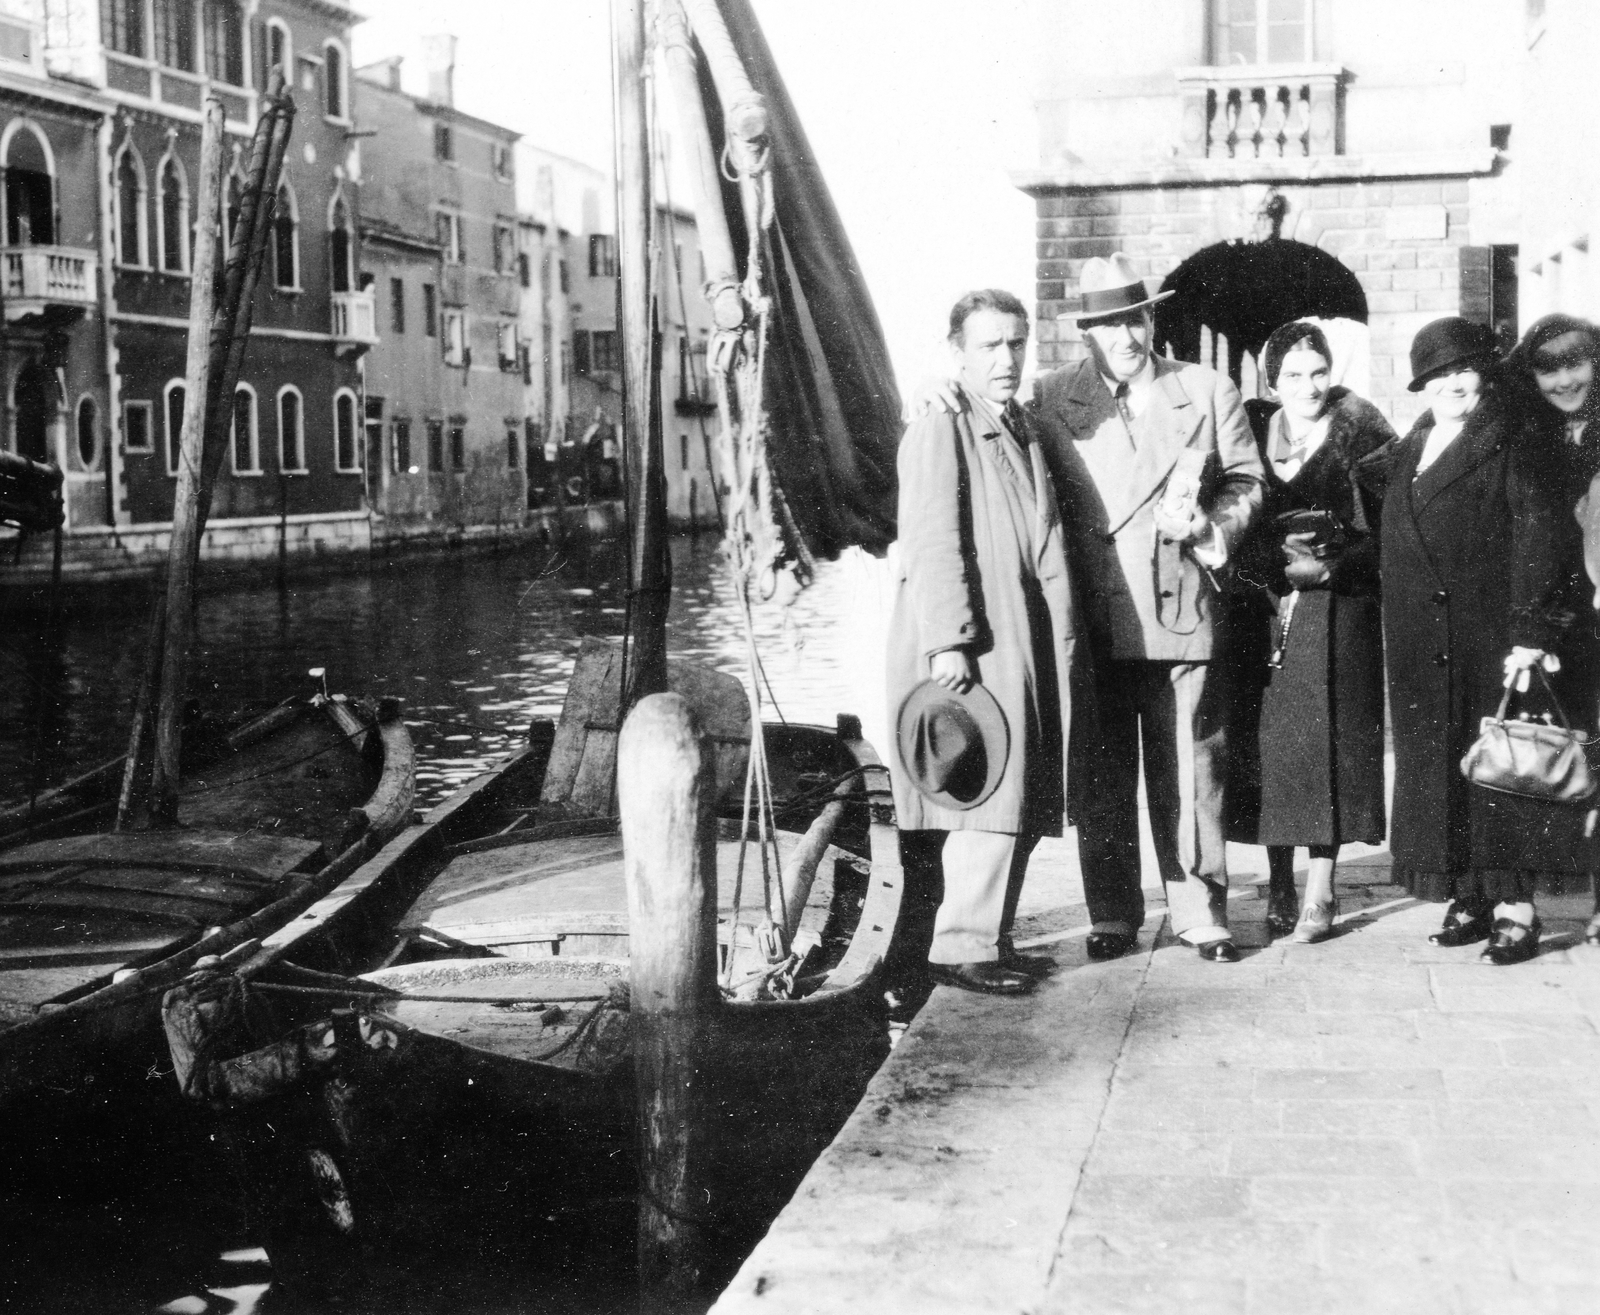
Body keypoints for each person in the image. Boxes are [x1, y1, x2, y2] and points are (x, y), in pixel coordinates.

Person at [1032, 254, 1264, 962]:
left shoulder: (1204, 387)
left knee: (1193, 769)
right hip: (1096, 614)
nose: (1125, 337)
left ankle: (1199, 907)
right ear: (1087, 333)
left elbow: (1248, 479)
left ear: (1151, 317)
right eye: (1107, 325)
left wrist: (1209, 528)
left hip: (1182, 605)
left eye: (1134, 318)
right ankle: (1112, 910)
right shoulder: (1048, 400)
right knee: (1101, 772)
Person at [885, 289, 1078, 995]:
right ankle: (961, 945)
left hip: (1014, 628)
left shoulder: (1017, 422)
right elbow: (932, 538)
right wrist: (949, 641)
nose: (1007, 358)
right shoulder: (943, 424)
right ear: (958, 352)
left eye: (1016, 343)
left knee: (1017, 785)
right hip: (975, 636)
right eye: (990, 345)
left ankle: (991, 937)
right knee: (985, 786)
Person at [1368, 317, 1575, 965]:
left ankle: (1516, 905)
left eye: (1462, 371)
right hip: (1421, 642)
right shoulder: (1413, 446)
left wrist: (1530, 631)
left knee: (1501, 768)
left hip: (1488, 632)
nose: (1452, 384)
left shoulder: (1513, 437)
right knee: (1447, 770)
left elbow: (1539, 531)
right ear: (1421, 386)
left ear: (1483, 375)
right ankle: (1471, 891)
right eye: (1437, 376)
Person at [1224, 322, 1394, 943]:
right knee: (1273, 745)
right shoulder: (1247, 431)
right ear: (1272, 380)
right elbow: (1227, 516)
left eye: (1317, 372)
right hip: (1265, 609)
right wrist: (1267, 559)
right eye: (1293, 375)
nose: (1308, 386)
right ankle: (1277, 883)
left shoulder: (1365, 434)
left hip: (1339, 609)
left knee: (1328, 747)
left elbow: (1392, 530)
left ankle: (1320, 891)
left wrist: (1335, 563)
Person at [1507, 314, 1600, 944]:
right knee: (1537, 759)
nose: (1565, 379)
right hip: (1546, 619)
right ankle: (1523, 904)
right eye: (1549, 367)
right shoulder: (1525, 434)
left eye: (1577, 363)